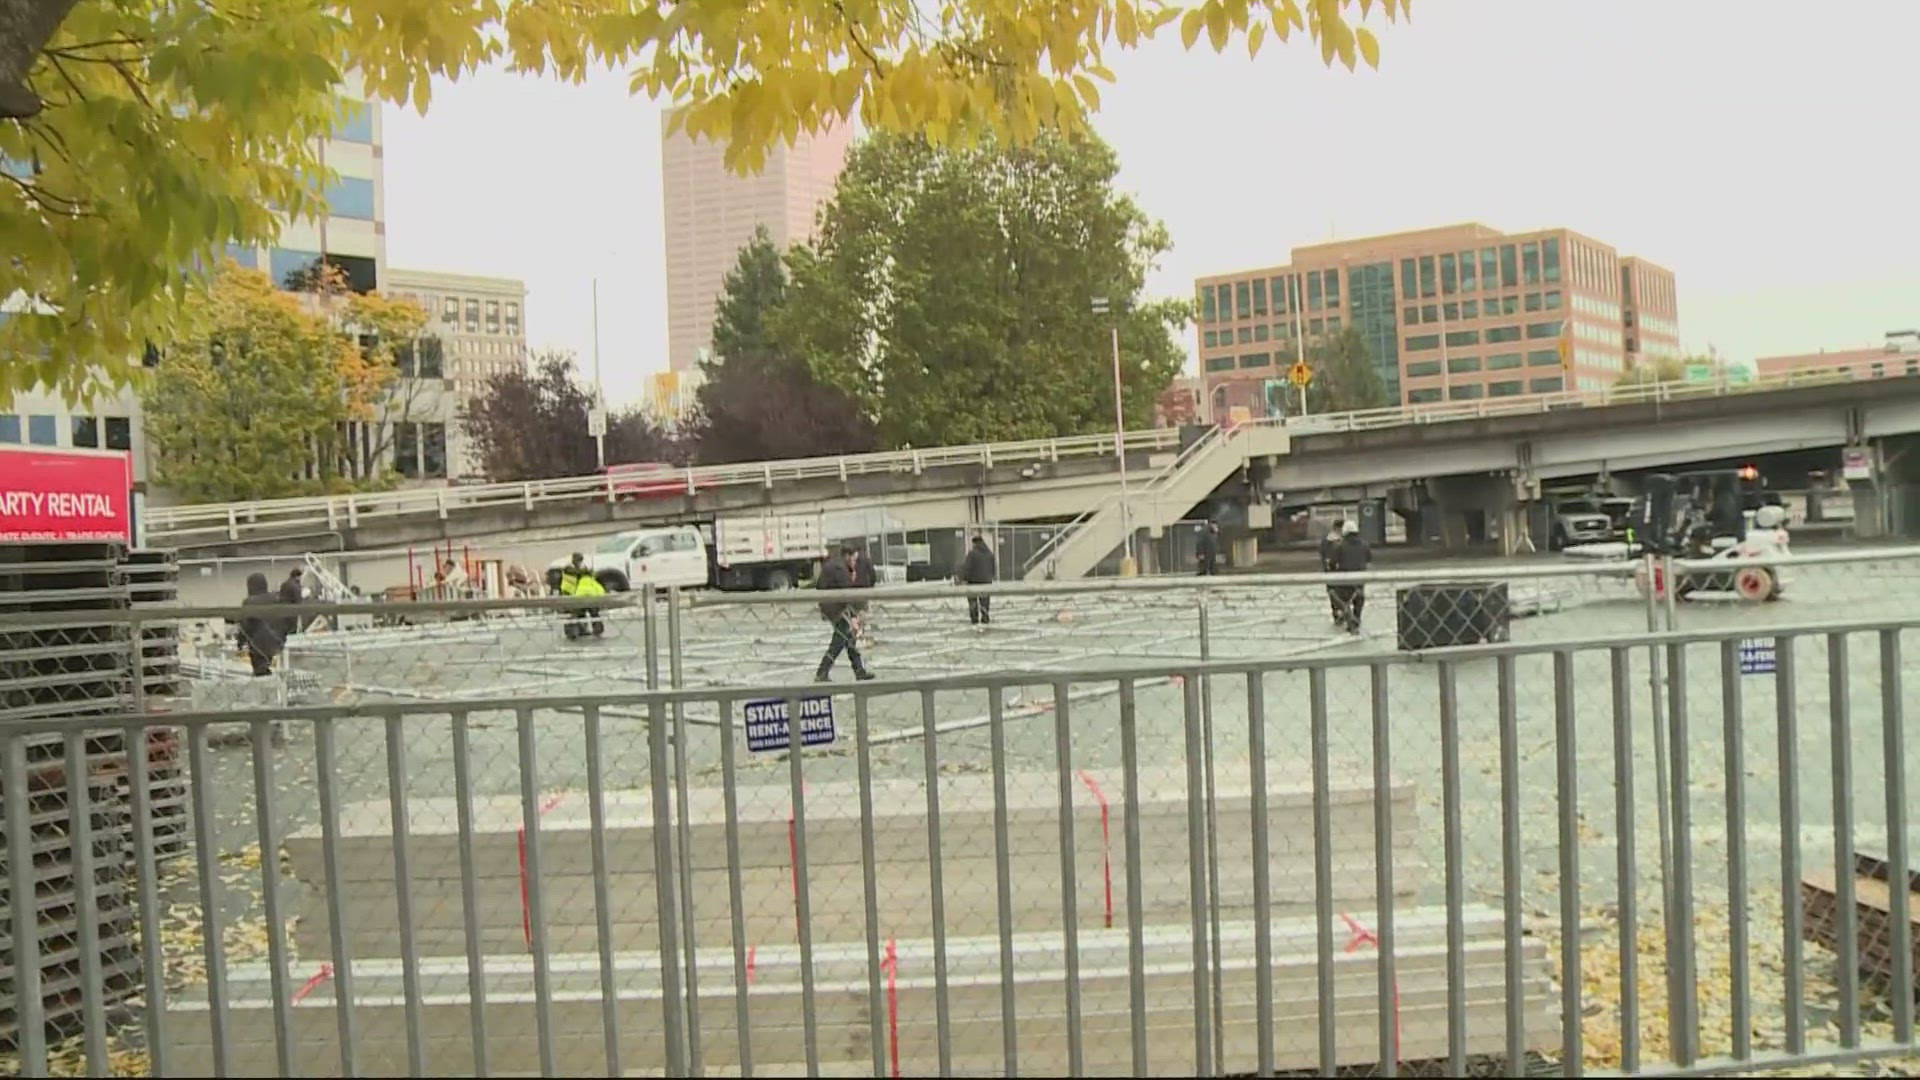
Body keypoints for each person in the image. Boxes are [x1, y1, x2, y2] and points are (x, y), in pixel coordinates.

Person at [815, 544, 876, 682]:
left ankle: (859, 670)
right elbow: (847, 592)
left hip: (832, 606)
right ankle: (822, 671)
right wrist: (853, 616)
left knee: (849, 639)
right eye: (854, 559)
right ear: (848, 556)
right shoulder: (840, 568)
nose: (855, 562)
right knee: (840, 639)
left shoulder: (834, 565)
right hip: (836, 609)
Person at [237, 572, 287, 676]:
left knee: (260, 669)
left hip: (260, 645)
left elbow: (245, 626)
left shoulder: (250, 602)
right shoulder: (276, 598)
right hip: (278, 641)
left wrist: (240, 643)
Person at [1330, 522, 1373, 633]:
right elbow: (1369, 559)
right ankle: (1357, 618)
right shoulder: (1365, 545)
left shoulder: (1339, 546)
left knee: (1336, 596)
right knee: (1359, 599)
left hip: (1345, 578)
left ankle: (1349, 618)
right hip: (1360, 578)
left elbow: (1333, 562)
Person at [557, 553, 606, 640]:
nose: (579, 562)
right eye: (578, 560)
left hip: (580, 593)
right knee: (573, 614)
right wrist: (585, 571)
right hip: (569, 593)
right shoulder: (568, 568)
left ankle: (593, 630)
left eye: (580, 560)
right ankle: (572, 633)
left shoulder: (583, 568)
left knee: (589, 611)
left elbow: (590, 575)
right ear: (573, 559)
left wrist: (588, 571)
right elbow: (576, 572)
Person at [959, 535, 997, 626]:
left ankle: (974, 619)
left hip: (973, 581)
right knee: (984, 601)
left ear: (974, 543)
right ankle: (985, 617)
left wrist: (964, 579)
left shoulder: (972, 553)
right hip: (986, 582)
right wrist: (991, 577)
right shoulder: (990, 554)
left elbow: (967, 567)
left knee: (973, 601)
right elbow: (994, 568)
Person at [1319, 520, 1347, 626]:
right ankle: (1342, 613)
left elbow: (1322, 554)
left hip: (1330, 572)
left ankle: (1337, 614)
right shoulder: (1342, 541)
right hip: (1341, 572)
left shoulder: (1326, 541)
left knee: (1333, 593)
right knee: (1343, 594)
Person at [277, 567, 305, 636]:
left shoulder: (284, 584)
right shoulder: (295, 586)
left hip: (283, 613)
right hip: (292, 613)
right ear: (297, 576)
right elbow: (299, 601)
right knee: (293, 634)